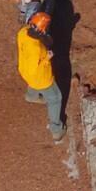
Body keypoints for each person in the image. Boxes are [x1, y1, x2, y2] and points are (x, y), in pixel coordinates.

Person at [18, 11, 62, 141]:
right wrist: (46, 59)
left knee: (33, 82)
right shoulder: (35, 49)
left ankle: (31, 96)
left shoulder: (23, 32)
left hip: (24, 70)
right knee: (55, 98)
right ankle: (56, 130)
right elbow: (35, 69)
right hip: (40, 78)